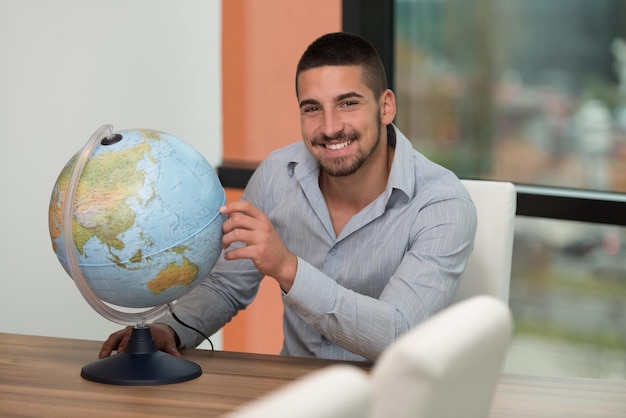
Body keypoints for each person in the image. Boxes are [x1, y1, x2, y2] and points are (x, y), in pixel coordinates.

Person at [100, 32, 477, 362]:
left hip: (393, 400)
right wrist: (171, 330)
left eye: (348, 103)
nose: (330, 128)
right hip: (297, 395)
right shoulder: (278, 175)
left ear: (386, 106)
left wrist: (288, 269)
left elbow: (397, 334)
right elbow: (226, 285)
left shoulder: (442, 205)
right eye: (312, 109)